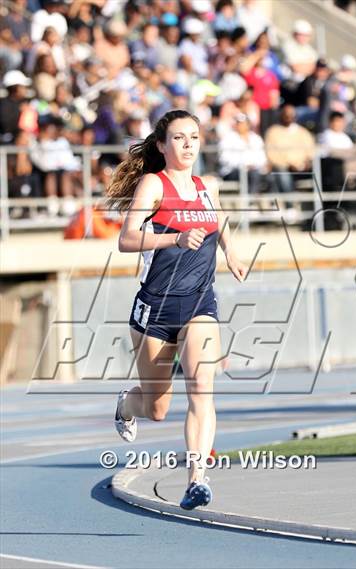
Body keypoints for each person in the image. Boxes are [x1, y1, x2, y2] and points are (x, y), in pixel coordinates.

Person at [105, 109, 247, 510]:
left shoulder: (206, 186)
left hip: (200, 301)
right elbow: (127, 239)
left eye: (194, 138)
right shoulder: (154, 184)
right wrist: (175, 239)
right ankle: (126, 404)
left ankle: (196, 480)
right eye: (180, 139)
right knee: (157, 408)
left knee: (202, 388)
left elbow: (219, 220)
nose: (188, 146)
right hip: (156, 306)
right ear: (164, 146)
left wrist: (231, 252)